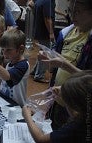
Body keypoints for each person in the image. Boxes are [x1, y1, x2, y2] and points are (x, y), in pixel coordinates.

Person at [41, 0, 92, 129]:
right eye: (70, 11)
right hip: (58, 99)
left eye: (78, 11)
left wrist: (64, 65)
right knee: (55, 128)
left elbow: (89, 80)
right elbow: (53, 70)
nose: (72, 15)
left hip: (77, 106)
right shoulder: (65, 33)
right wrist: (47, 60)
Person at [22, 70, 92, 143]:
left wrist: (27, 116)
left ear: (75, 107)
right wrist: (66, 89)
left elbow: (41, 139)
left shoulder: (77, 127)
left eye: (66, 102)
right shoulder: (85, 115)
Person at [28, 0, 56, 83]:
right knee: (45, 53)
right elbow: (47, 18)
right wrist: (51, 33)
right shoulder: (48, 1)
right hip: (44, 32)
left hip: (38, 30)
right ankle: (39, 75)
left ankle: (34, 71)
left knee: (42, 51)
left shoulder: (40, 1)